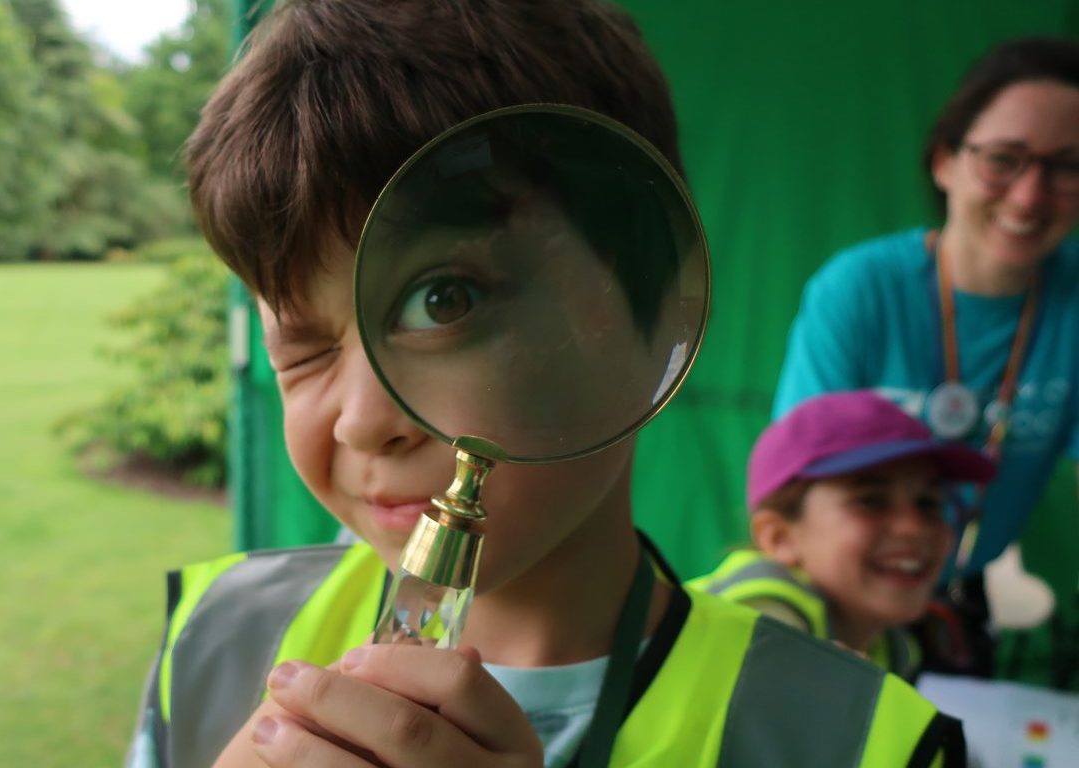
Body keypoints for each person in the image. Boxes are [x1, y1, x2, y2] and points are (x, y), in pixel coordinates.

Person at [126, 1, 965, 766]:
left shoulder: (858, 741)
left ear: (656, 309)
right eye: (301, 347)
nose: (360, 421)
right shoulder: (214, 636)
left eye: (443, 300)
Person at [773, 37, 1079, 675]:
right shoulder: (859, 290)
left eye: (1067, 167)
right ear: (944, 161)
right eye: (1003, 160)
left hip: (956, 611)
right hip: (840, 606)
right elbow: (797, 488)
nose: (1029, 197)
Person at [691, 391, 996, 681]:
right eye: (871, 501)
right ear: (779, 538)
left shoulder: (890, 648)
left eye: (929, 504)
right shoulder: (764, 607)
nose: (913, 527)